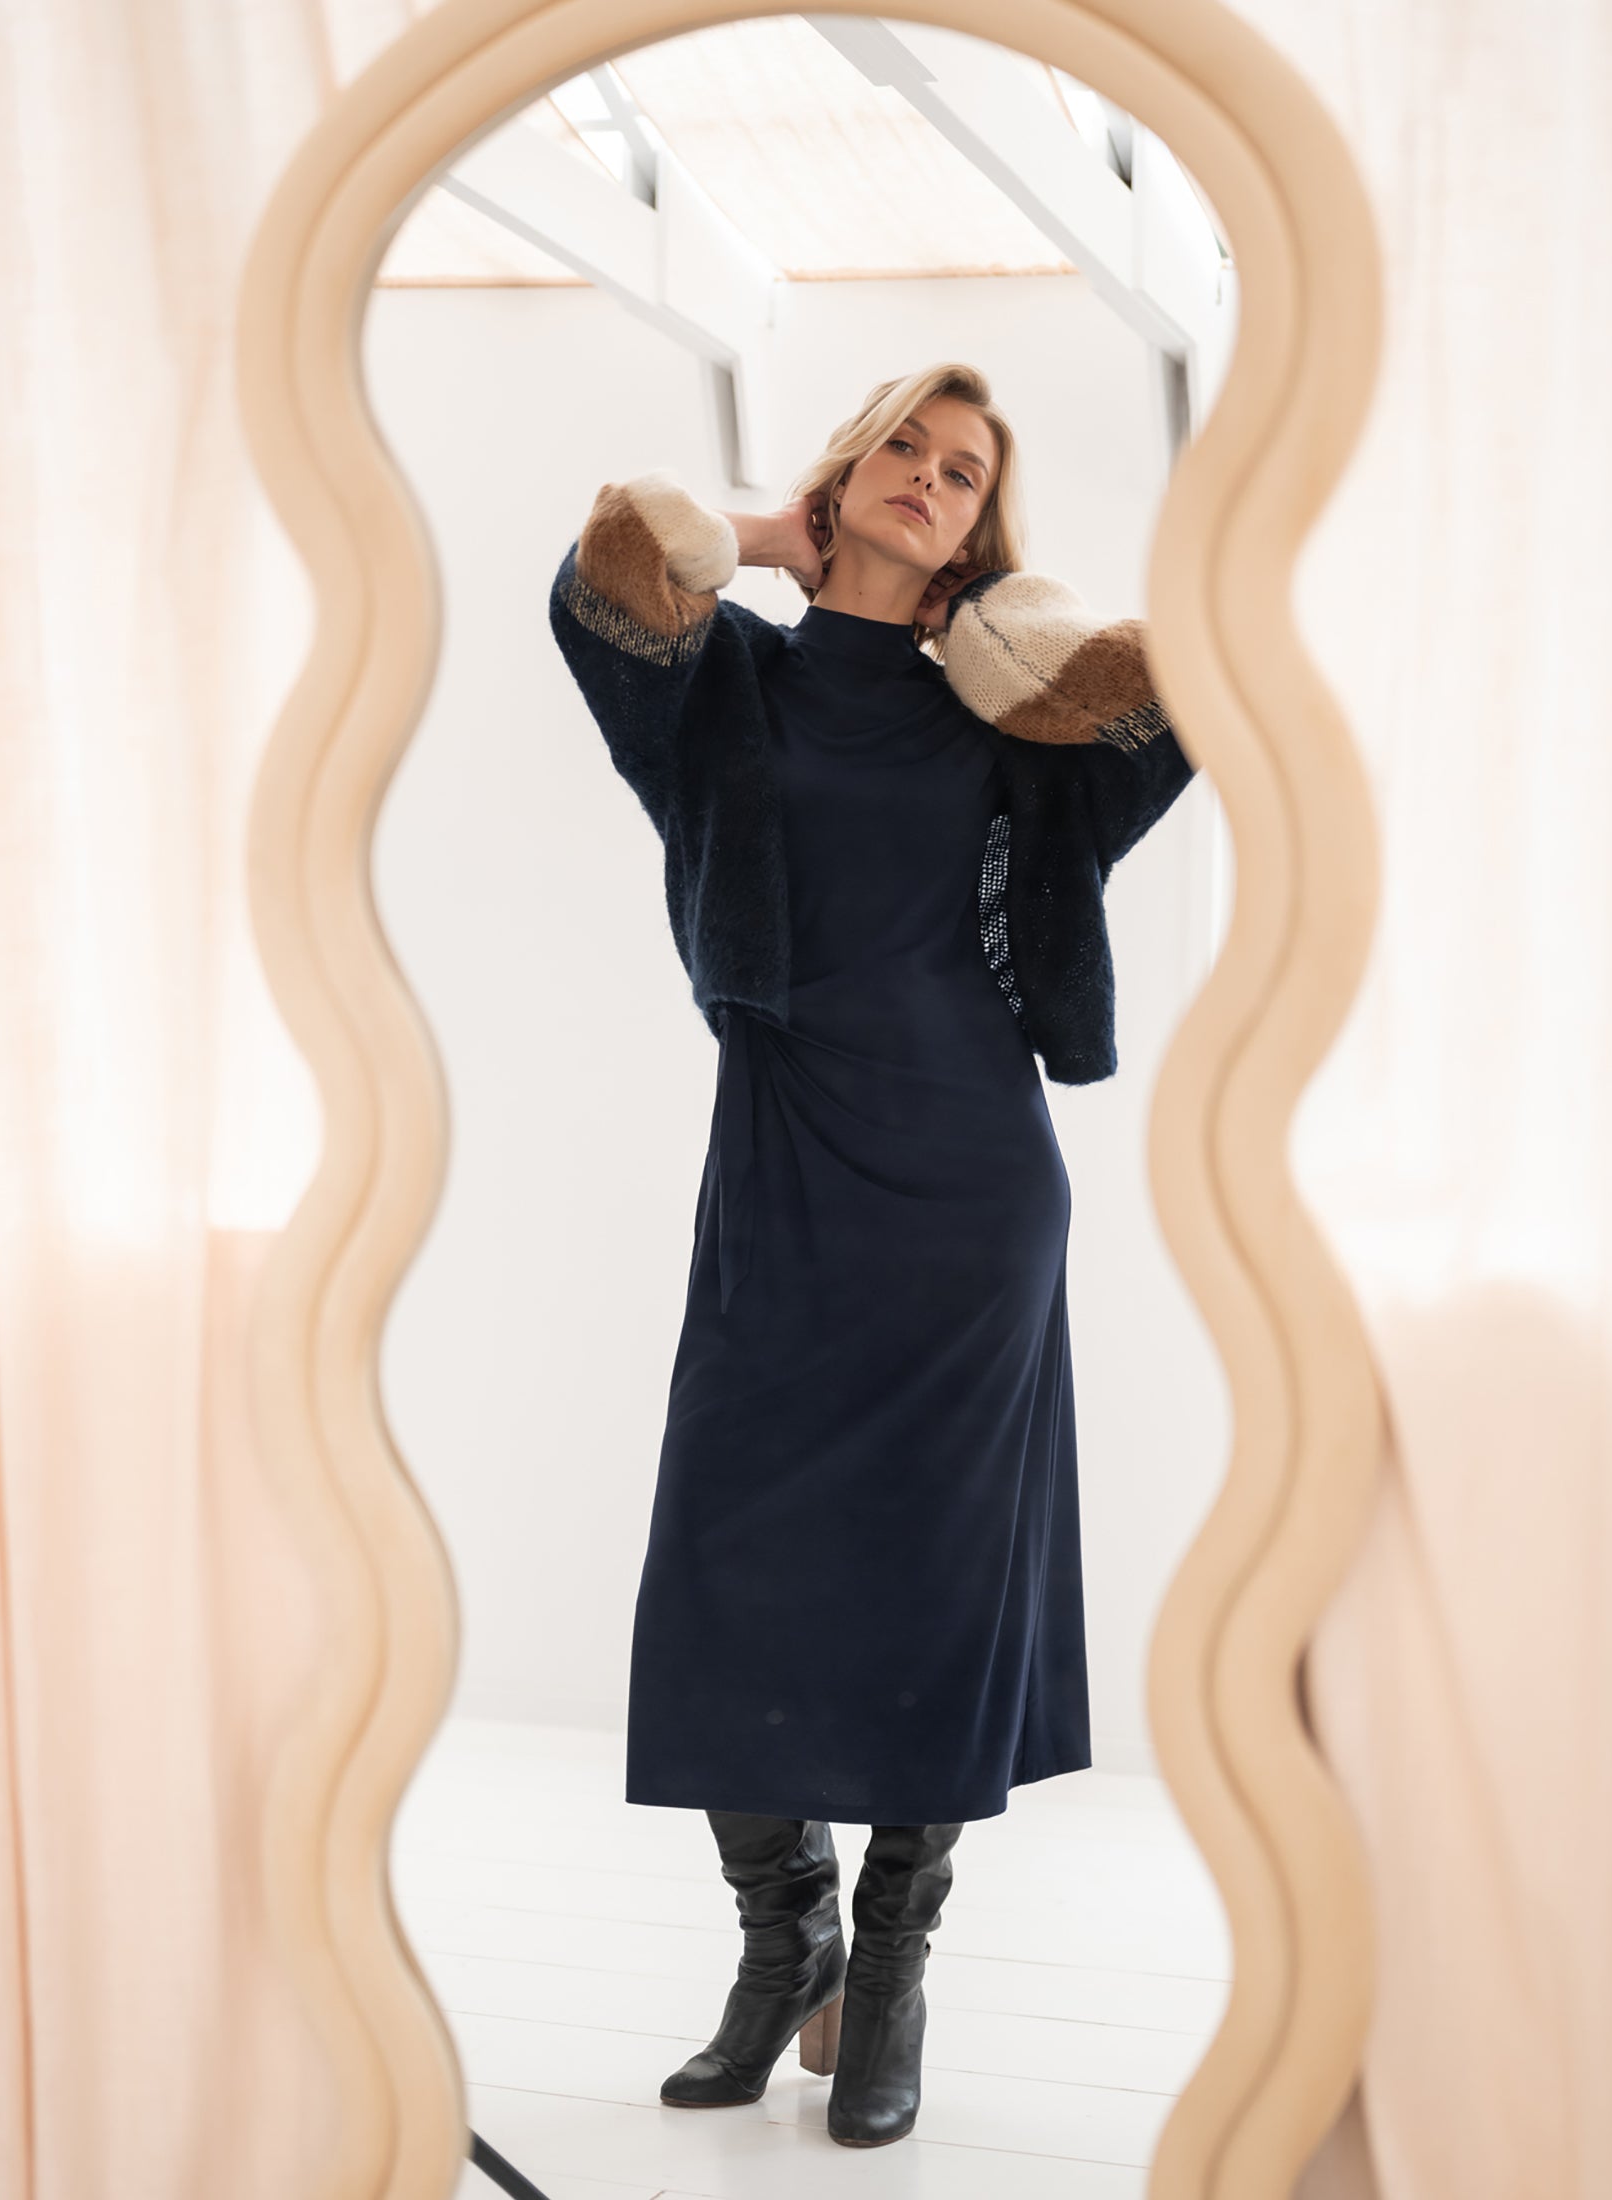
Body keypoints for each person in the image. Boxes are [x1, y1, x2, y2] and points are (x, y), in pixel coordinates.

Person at [547, 362, 1198, 2148]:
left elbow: (1186, 706)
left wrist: (1007, 626)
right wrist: (774, 537)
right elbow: (599, 584)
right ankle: (787, 1941)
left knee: (938, 1577)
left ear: (989, 526)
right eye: (902, 447)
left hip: (973, 1198)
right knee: (722, 1565)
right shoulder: (725, 689)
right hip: (784, 1169)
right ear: (846, 472)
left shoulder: (1015, 733)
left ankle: (893, 1966)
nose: (929, 477)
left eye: (965, 470)